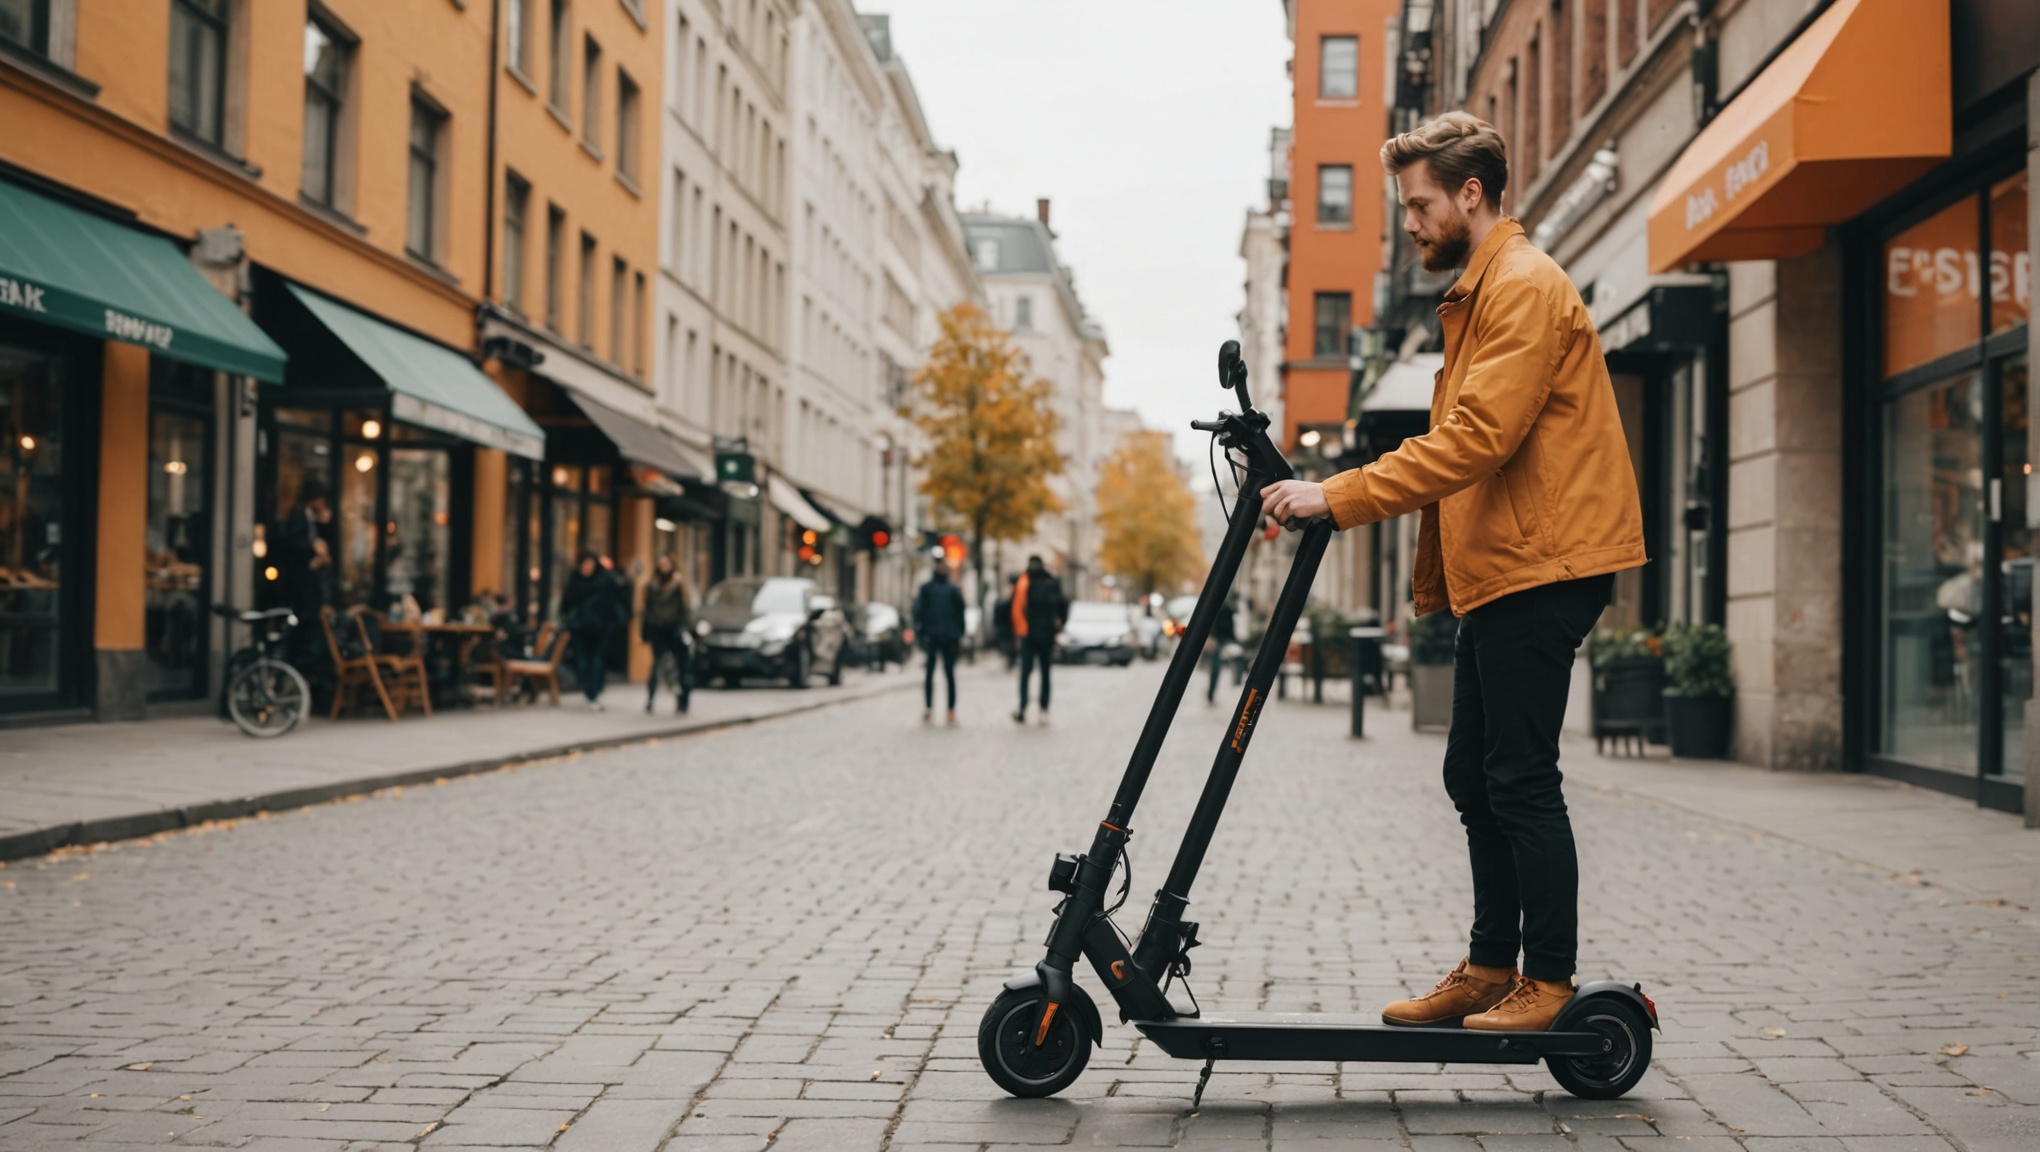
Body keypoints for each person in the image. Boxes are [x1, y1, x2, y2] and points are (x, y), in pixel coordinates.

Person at [1260, 112, 1645, 1033]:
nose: (1411, 223)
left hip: (1544, 566)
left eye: (1420, 205)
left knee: (1519, 777)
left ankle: (1546, 983)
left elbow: (1473, 441)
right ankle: (1487, 966)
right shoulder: (1479, 292)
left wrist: (1337, 495)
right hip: (1509, 569)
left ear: (1470, 195)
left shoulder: (1520, 287)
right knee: (1474, 777)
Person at [274, 479, 334, 690]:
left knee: (308, 630)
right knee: (304, 631)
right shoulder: (299, 514)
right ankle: (297, 676)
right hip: (301, 588)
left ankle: (301, 677)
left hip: (307, 586)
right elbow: (294, 544)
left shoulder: (310, 517)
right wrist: (313, 550)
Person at [558, 551, 626, 711]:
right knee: (582, 662)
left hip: (600, 629)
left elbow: (615, 602)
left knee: (597, 661)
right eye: (584, 563)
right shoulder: (575, 580)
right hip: (579, 628)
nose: (586, 567)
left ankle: (593, 693)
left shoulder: (605, 580)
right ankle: (589, 691)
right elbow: (566, 604)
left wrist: (611, 623)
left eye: (589, 563)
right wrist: (567, 622)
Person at [1011, 555, 1066, 724]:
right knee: (1045, 672)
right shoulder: (1052, 582)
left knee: (1026, 672)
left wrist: (1020, 632)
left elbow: (1017, 608)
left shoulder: (1024, 581)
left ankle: (1022, 707)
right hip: (1046, 635)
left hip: (1029, 635)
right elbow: (1063, 606)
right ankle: (1044, 708)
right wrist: (1058, 626)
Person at [913, 563, 966, 724]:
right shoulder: (953, 590)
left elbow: (917, 612)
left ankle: (930, 708)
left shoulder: (927, 589)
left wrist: (920, 633)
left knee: (931, 674)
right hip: (948, 637)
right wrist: (959, 633)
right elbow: (961, 613)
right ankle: (949, 710)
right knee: (948, 674)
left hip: (932, 636)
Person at [642, 554, 693, 715]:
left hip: (676, 629)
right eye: (661, 563)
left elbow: (686, 608)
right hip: (658, 630)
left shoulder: (679, 584)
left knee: (681, 666)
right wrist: (646, 629)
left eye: (666, 563)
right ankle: (650, 699)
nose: (663, 566)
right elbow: (647, 609)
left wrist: (686, 628)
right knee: (657, 664)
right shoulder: (652, 585)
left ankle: (682, 701)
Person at [1206, 594, 1239, 705]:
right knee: (1215, 667)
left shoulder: (1227, 609)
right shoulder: (1224, 609)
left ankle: (1211, 693)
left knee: (1216, 668)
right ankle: (1211, 693)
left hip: (1223, 640)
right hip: (1219, 641)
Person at [992, 574, 1019, 669]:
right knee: (1010, 643)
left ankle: (1012, 659)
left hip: (1013, 624)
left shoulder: (1015, 594)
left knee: (1011, 643)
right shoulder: (1010, 595)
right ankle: (1011, 659)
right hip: (1009, 624)